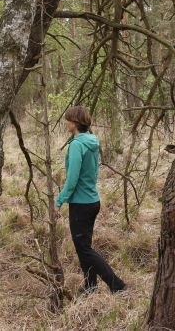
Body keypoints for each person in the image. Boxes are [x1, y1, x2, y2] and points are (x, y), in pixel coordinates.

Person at [54, 106, 126, 293]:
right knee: (84, 247)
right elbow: (92, 174)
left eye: (68, 119)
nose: (66, 122)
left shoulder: (77, 145)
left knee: (84, 249)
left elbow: (72, 179)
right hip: (92, 201)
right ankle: (90, 286)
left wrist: (59, 201)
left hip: (81, 204)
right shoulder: (92, 141)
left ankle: (116, 285)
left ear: (75, 122)